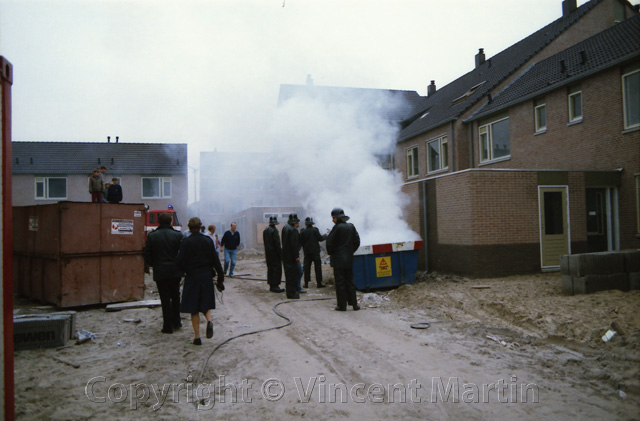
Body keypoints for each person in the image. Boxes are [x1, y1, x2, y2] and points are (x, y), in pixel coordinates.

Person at [176, 217, 224, 345]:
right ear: (200, 226)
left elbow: (180, 262)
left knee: (194, 308)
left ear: (189, 228)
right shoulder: (208, 240)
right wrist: (220, 277)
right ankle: (209, 321)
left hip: (192, 277)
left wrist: (183, 270)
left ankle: (197, 337)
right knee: (205, 303)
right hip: (206, 276)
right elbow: (216, 260)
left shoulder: (186, 242)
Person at [143, 213, 183, 333]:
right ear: (171, 222)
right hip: (175, 271)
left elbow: (147, 253)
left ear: (159, 222)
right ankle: (177, 322)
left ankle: (167, 326)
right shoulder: (178, 235)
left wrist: (152, 264)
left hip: (160, 271)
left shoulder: (152, 236)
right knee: (176, 297)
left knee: (165, 299)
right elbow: (182, 253)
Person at [326, 208, 361, 311]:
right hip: (349, 259)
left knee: (340, 283)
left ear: (337, 218)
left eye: (333, 218)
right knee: (350, 281)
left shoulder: (336, 228)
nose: (332, 220)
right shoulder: (351, 227)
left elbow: (329, 243)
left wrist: (332, 253)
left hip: (338, 260)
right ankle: (354, 304)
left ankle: (342, 305)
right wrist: (350, 251)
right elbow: (357, 241)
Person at [300, 217, 327, 288]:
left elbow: (301, 242)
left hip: (307, 253)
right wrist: (326, 235)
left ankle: (306, 283)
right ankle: (319, 283)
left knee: (306, 268)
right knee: (318, 268)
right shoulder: (315, 230)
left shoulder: (302, 232)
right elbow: (320, 239)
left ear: (305, 224)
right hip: (315, 252)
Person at [281, 213, 302, 299]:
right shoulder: (293, 230)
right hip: (291, 256)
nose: (298, 224)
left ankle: (289, 291)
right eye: (297, 222)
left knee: (288, 274)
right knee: (292, 275)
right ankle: (291, 293)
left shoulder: (285, 228)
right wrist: (296, 256)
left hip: (286, 255)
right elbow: (294, 245)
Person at [263, 216, 284, 293]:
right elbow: (277, 244)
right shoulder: (274, 231)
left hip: (268, 254)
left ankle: (271, 285)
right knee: (276, 269)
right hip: (275, 254)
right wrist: (281, 254)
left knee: (270, 269)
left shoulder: (265, 230)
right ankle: (275, 285)